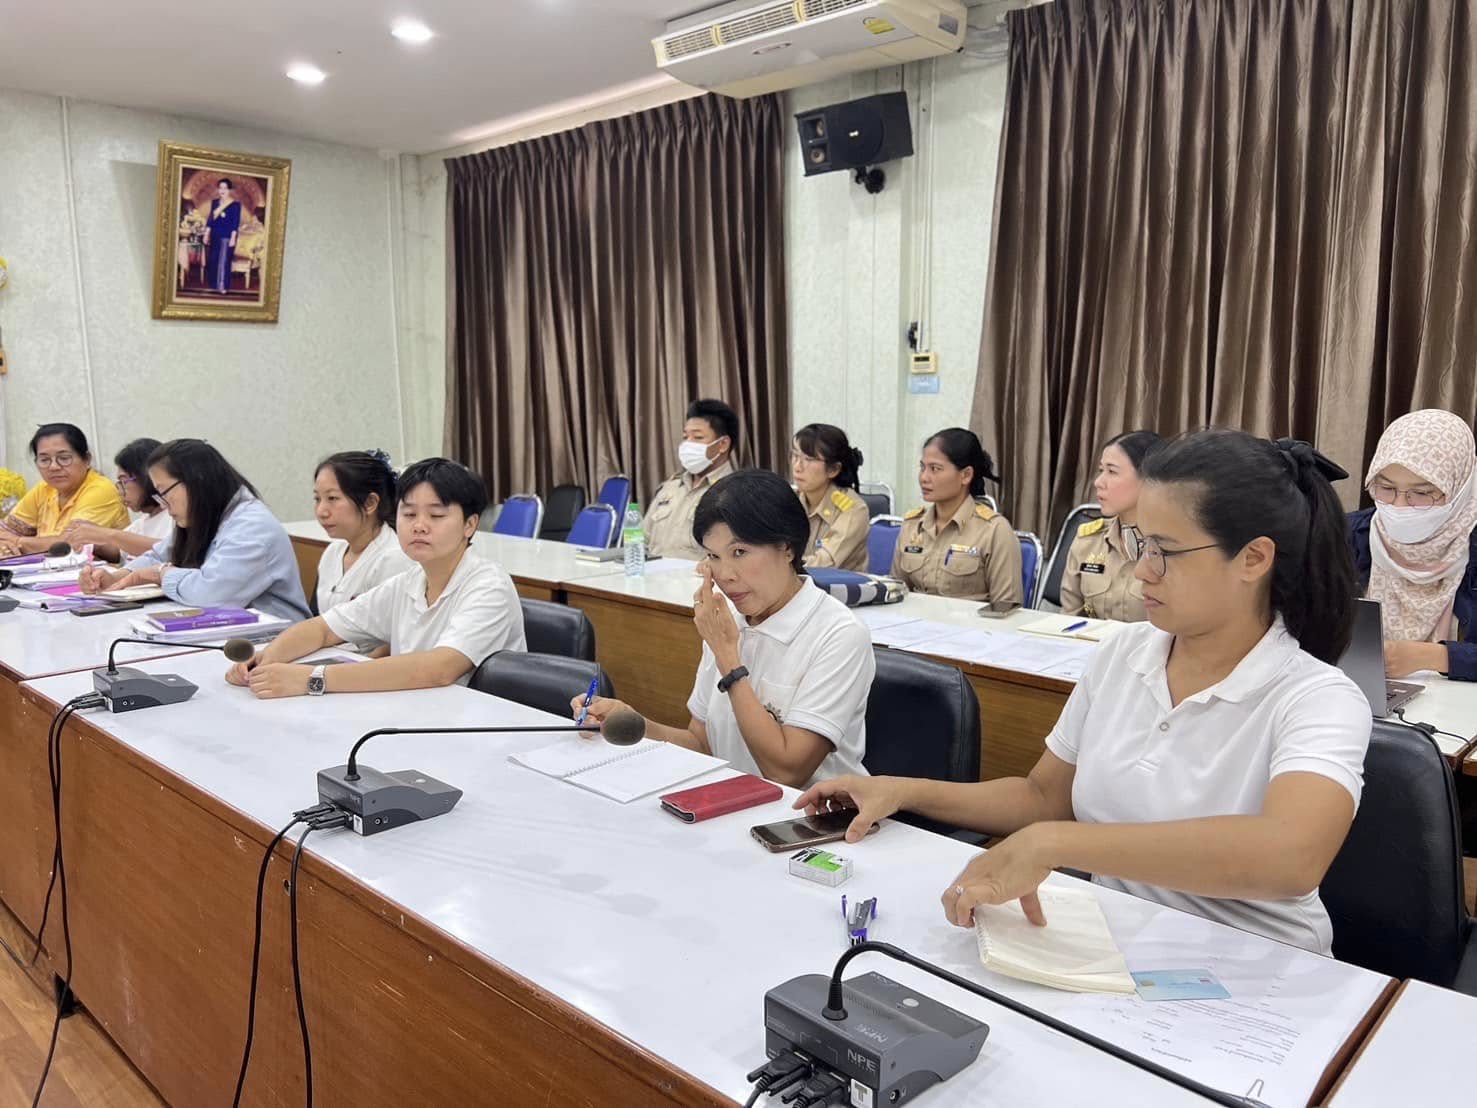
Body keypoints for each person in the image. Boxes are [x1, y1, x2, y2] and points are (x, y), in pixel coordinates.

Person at [797, 430, 1371, 957]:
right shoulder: (1125, 654)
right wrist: (900, 790)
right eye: (1138, 541)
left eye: (1164, 552)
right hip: (1117, 942)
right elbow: (1043, 796)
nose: (1142, 571)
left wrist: (1057, 844)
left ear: (1253, 558)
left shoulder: (1317, 697)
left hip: (1257, 968)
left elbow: (1290, 857)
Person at [575, 470, 874, 788]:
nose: (725, 574)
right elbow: (702, 746)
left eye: (740, 552)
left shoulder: (839, 634)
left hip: (813, 823)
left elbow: (787, 772)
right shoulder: (727, 621)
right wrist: (632, 721)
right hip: (736, 804)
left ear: (787, 548)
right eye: (713, 556)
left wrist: (728, 659)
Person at [225, 458, 525, 697]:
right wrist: (266, 660)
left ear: (470, 525)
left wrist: (312, 679)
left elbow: (439, 668)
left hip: (473, 727)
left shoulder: (488, 585)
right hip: (415, 711)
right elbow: (322, 629)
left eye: (436, 516)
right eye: (408, 514)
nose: (419, 526)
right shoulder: (409, 581)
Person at [78, 439, 308, 621]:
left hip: (275, 640)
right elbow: (160, 554)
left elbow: (212, 594)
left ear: (196, 481)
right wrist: (116, 578)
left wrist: (161, 574)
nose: (163, 504)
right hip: (229, 633)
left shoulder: (252, 526)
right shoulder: (205, 514)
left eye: (164, 492)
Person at [1347, 409, 1477, 681]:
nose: (1399, 506)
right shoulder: (1349, 534)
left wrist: (1432, 656)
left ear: (1460, 487)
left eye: (1421, 493)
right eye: (1386, 488)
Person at [891, 428, 1022, 606]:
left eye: (935, 469)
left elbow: (1006, 607)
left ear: (966, 475)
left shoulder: (994, 531)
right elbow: (897, 592)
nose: (924, 477)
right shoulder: (912, 525)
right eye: (922, 467)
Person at [1060, 430, 1164, 621]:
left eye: (1112, 472)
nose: (1098, 482)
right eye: (1101, 471)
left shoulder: (1175, 549)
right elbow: (1069, 620)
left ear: (1149, 479)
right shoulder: (1088, 541)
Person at [0, 423, 129, 557]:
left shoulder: (101, 489)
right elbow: (3, 533)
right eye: (44, 460)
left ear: (87, 459)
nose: (54, 467)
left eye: (64, 458)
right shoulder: (44, 489)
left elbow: (72, 542)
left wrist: (17, 541)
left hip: (100, 574)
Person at [311, 450, 413, 615]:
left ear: (370, 503)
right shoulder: (333, 552)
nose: (321, 511)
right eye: (317, 499)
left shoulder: (394, 558)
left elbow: (392, 635)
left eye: (332, 499)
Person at [643, 399, 739, 561]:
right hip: (651, 580)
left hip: (698, 582)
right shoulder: (670, 487)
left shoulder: (735, 491)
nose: (688, 444)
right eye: (685, 437)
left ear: (723, 444)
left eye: (698, 437)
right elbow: (641, 540)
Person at [59, 437, 174, 562]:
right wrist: (92, 538)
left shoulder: (173, 517)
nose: (120, 492)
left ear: (147, 477)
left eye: (124, 481)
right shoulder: (142, 522)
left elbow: (168, 551)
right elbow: (119, 552)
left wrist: (106, 534)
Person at [792, 423, 870, 572]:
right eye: (795, 456)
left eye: (808, 459)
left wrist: (778, 568)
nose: (797, 466)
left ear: (833, 469)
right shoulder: (789, 501)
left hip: (839, 591)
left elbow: (824, 565)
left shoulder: (853, 510)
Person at [204, 179, 241, 294]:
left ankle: (222, 285)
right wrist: (206, 234)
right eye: (220, 188)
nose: (222, 190)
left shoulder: (235, 205)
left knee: (223, 261)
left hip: (227, 236)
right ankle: (215, 284)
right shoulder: (215, 203)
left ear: (229, 190)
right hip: (215, 235)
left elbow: (235, 223)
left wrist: (233, 238)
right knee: (214, 259)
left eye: (225, 188)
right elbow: (211, 220)